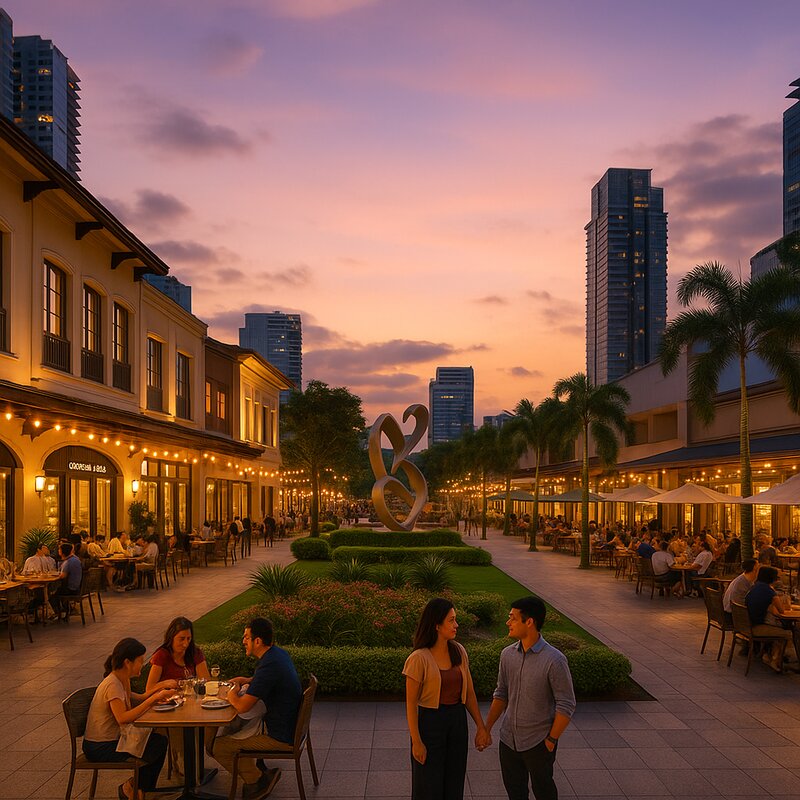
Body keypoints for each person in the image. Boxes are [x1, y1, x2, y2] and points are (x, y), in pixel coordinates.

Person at [482, 597, 575, 800]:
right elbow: (501, 694)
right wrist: (486, 728)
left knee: (544, 792)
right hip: (508, 741)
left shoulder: (555, 660)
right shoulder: (507, 655)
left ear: (529, 622)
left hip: (539, 742)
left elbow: (566, 704)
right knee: (515, 793)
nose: (508, 622)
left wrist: (551, 740)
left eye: (513, 618)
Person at [403, 598, 488, 800]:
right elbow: (411, 704)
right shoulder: (419, 658)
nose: (456, 625)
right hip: (430, 724)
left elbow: (469, 694)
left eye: (455, 619)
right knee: (428, 785)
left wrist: (481, 726)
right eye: (451, 620)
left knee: (454, 781)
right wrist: (416, 741)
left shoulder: (459, 651)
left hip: (457, 722)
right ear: (436, 625)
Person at [212, 618, 302, 800]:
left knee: (218, 746)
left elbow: (243, 707)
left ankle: (256, 780)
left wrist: (231, 693)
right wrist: (247, 680)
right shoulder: (277, 655)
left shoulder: (269, 665)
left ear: (258, 641)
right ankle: (257, 771)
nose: (243, 641)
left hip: (279, 735)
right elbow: (265, 680)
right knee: (233, 730)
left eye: (246, 637)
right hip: (287, 724)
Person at [83, 638, 175, 800]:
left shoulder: (121, 679)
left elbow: (139, 698)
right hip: (100, 746)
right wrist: (153, 700)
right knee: (156, 744)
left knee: (158, 741)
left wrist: (160, 689)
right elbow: (122, 718)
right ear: (127, 662)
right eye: (140, 661)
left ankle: (138, 788)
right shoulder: (112, 684)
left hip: (112, 740)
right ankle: (134, 787)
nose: (142, 664)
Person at [146, 617, 211, 775]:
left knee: (211, 725)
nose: (185, 643)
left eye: (188, 638)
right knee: (180, 727)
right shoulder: (162, 656)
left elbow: (206, 681)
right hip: (168, 708)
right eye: (181, 639)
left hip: (191, 706)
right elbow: (148, 689)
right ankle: (187, 771)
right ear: (171, 637)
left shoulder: (194, 653)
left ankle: (194, 766)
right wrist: (165, 683)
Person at [744, 566, 799, 672]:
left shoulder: (754, 587)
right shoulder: (769, 591)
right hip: (757, 626)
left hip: (749, 623)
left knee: (784, 626)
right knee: (789, 631)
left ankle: (769, 654)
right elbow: (782, 610)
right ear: (772, 578)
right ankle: (777, 659)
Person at [51, 542, 82, 620]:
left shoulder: (68, 562)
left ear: (63, 551)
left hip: (71, 589)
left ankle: (58, 613)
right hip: (78, 587)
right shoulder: (76, 559)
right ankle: (67, 611)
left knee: (52, 596)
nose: (58, 551)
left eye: (59, 549)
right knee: (58, 591)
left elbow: (63, 576)